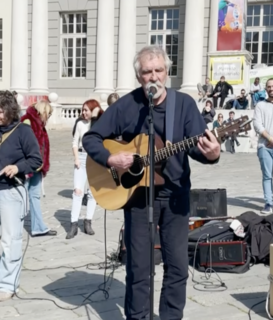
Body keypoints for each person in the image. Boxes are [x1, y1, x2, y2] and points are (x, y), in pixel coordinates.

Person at [82, 45, 221, 320]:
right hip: (137, 198)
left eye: (159, 70)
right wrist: (112, 160)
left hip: (176, 195)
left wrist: (213, 154)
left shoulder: (183, 105)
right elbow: (91, 139)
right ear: (139, 77)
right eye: (147, 72)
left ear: (167, 73)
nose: (153, 77)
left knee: (178, 266)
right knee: (139, 268)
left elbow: (198, 148)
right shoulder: (128, 104)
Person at [0, 90, 42, 302]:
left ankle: (7, 284)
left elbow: (36, 160)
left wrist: (17, 167)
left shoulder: (24, 131)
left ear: (11, 111)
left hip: (11, 191)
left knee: (11, 239)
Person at [66, 99, 104, 239]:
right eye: (82, 109)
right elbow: (74, 142)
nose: (83, 112)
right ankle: (73, 224)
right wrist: (76, 158)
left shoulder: (99, 124)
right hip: (81, 157)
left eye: (86, 110)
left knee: (93, 192)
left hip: (94, 159)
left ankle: (88, 222)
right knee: (77, 191)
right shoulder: (80, 124)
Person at [21, 100, 57, 237]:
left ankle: (38, 227)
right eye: (48, 114)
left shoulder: (39, 124)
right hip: (26, 167)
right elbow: (21, 146)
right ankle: (11, 229)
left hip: (37, 167)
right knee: (20, 198)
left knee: (34, 196)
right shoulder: (27, 122)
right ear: (43, 112)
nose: (48, 117)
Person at [253, 78, 273, 214]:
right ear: (266, 89)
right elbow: (257, 124)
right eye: (269, 87)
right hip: (265, 146)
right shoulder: (260, 105)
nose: (272, 89)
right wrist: (270, 138)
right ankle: (268, 203)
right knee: (267, 176)